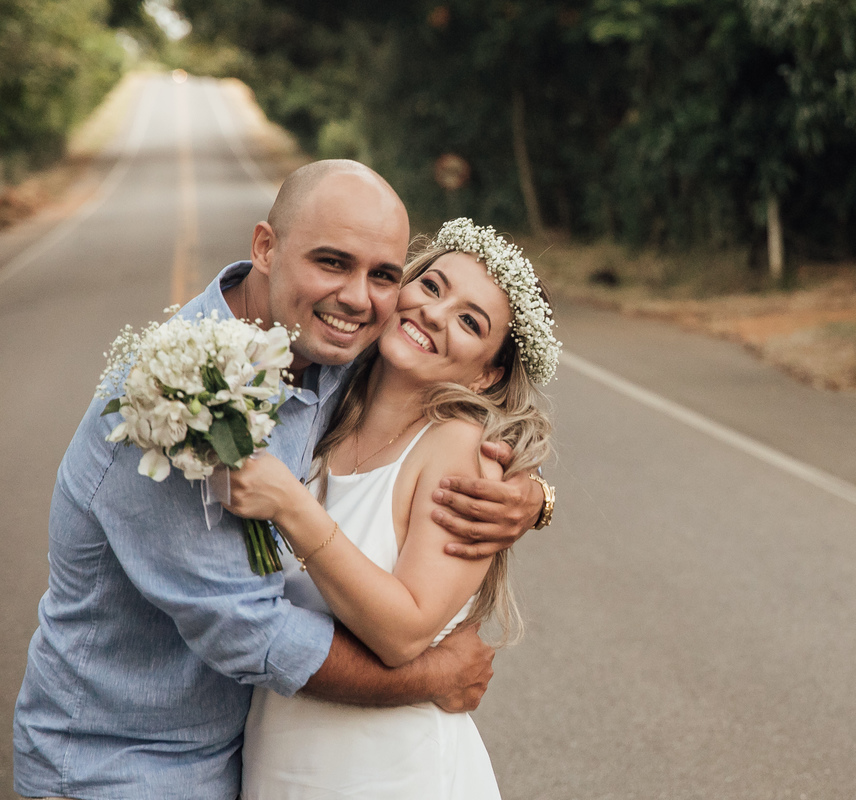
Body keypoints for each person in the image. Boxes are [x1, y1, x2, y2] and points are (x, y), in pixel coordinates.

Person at [12, 161, 554, 800]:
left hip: (252, 760)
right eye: (332, 262)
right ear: (265, 247)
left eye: (383, 274)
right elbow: (251, 632)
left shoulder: (334, 355)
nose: (358, 298)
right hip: (121, 764)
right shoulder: (173, 402)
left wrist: (533, 497)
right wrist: (428, 676)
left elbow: (438, 409)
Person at [220, 218, 559, 798]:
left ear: (487, 373)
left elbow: (403, 633)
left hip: (389, 773)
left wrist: (291, 507)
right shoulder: (320, 408)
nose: (434, 313)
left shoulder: (458, 451)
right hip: (280, 760)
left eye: (469, 321)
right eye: (432, 287)